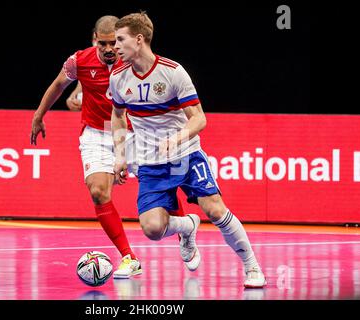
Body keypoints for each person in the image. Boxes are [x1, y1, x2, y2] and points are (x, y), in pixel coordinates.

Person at [110, 12, 267, 287]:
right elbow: (117, 115)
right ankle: (187, 225)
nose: (115, 47)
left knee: (216, 210)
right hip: (150, 162)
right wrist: (121, 155)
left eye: (120, 40)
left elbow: (199, 119)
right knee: (152, 229)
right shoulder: (119, 77)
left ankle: (251, 266)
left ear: (139, 39)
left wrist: (177, 138)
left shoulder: (173, 72)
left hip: (185, 155)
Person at [30, 15, 142, 278]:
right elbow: (58, 85)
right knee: (98, 191)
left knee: (161, 197)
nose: (107, 49)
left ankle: (185, 229)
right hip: (95, 132)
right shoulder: (79, 61)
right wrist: (38, 115)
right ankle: (129, 257)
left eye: (113, 43)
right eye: (102, 43)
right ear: (95, 39)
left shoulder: (134, 60)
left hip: (132, 132)